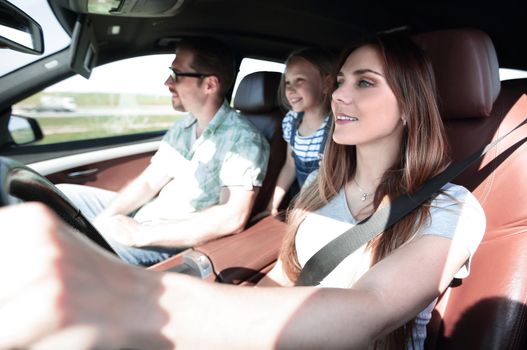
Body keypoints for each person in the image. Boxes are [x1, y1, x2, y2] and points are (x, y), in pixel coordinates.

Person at [0, 32, 485, 349]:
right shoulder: (319, 186)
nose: (339, 95)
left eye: (365, 83)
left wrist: (134, 297)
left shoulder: (452, 209)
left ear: (408, 106)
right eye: (340, 81)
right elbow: (284, 281)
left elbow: (369, 312)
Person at [57, 37, 270, 266]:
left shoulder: (243, 140)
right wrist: (107, 219)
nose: (168, 82)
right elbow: (150, 182)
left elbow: (231, 217)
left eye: (177, 74)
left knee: (72, 250)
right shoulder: (184, 125)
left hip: (171, 238)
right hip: (147, 217)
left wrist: (139, 234)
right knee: (59, 195)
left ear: (209, 85)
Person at [265, 48, 335, 215]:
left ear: (326, 84)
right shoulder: (291, 121)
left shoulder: (336, 126)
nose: (290, 89)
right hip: (302, 203)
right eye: (287, 82)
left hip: (328, 206)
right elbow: (290, 166)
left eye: (300, 80)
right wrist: (271, 206)